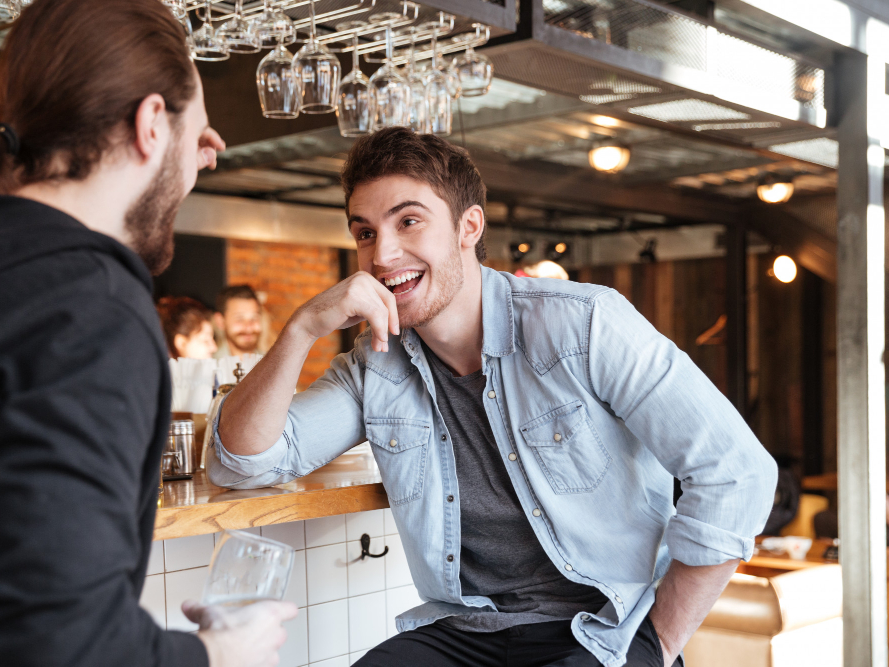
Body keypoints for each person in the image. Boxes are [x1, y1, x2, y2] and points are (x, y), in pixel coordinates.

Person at [210, 128, 777, 667]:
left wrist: (655, 645)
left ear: (468, 227)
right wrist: (303, 327)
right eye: (365, 232)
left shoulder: (585, 325)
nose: (382, 255)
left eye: (409, 221)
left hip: (605, 628)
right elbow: (243, 462)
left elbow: (738, 473)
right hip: (469, 630)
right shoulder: (373, 368)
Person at [0, 0, 295, 665]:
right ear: (149, 125)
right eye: (196, 131)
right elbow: (60, 648)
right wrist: (219, 654)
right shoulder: (87, 310)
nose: (206, 158)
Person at [212, 285, 268, 358]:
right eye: (239, 319)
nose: (248, 327)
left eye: (254, 318)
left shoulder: (275, 364)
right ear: (220, 322)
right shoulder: (208, 365)